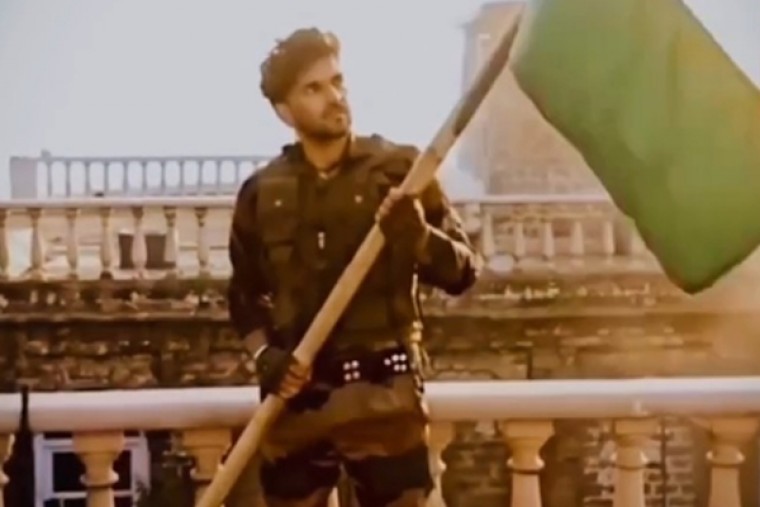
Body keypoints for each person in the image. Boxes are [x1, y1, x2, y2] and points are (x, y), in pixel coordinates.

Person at [228, 27, 481, 507]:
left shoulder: (402, 173)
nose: (335, 97)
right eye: (313, 88)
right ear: (284, 111)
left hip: (385, 404)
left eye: (337, 81)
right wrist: (265, 357)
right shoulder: (262, 193)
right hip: (297, 409)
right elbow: (244, 295)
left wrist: (418, 237)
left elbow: (464, 272)